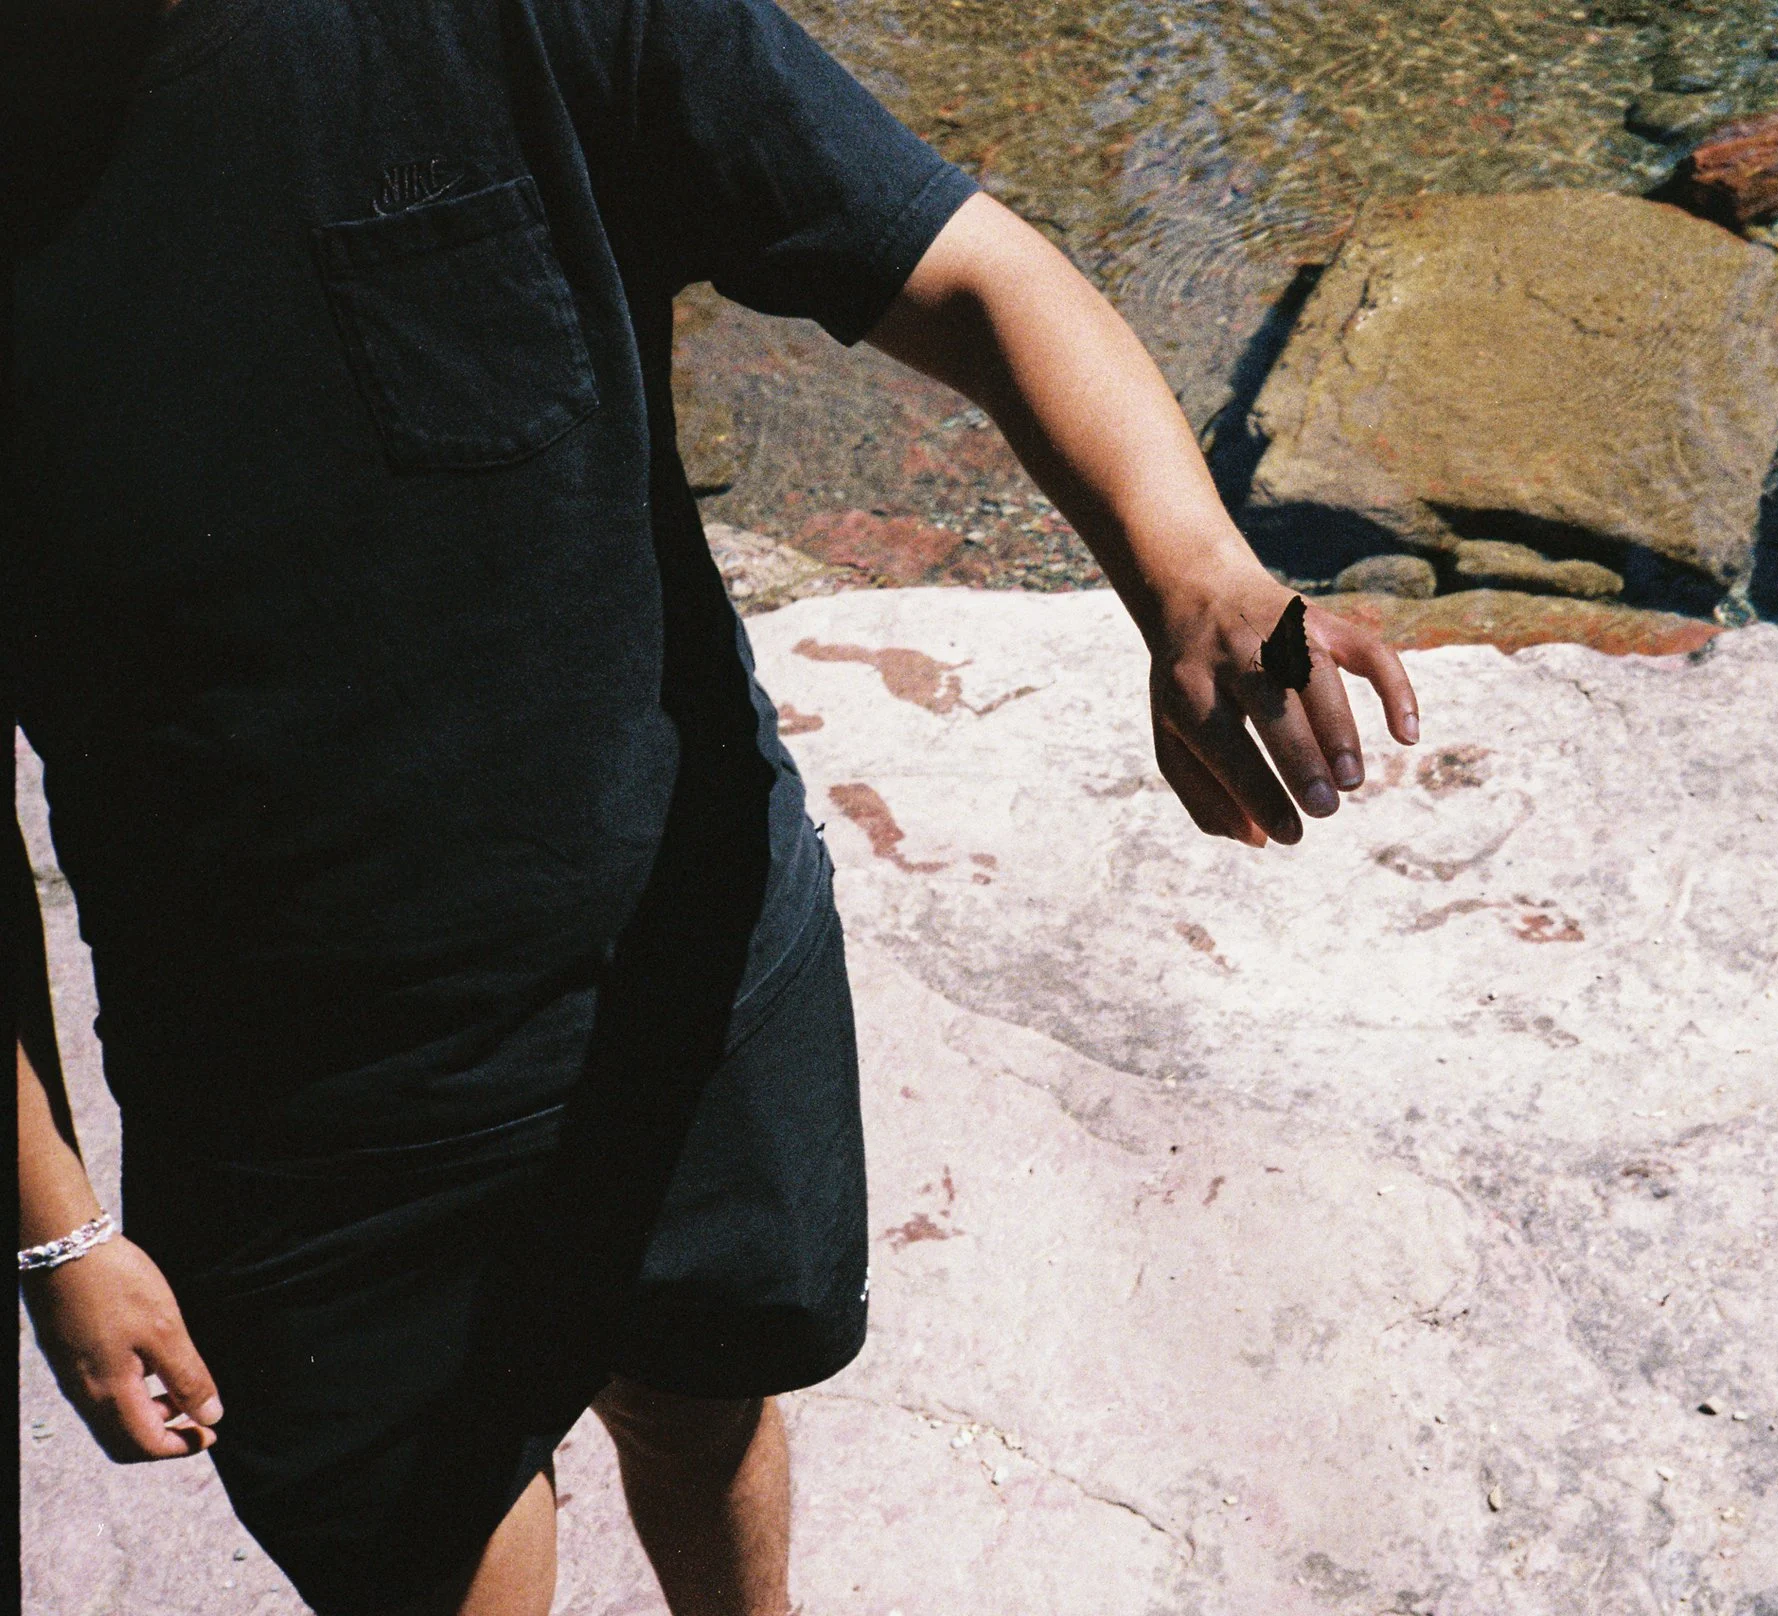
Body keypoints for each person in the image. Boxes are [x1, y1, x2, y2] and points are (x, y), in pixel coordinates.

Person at [4, 0, 1419, 1609]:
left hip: (686, 979)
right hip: (295, 1125)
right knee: (436, 1558)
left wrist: (1189, 572)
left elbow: (971, 271)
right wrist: (57, 1231)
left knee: (700, 1406)